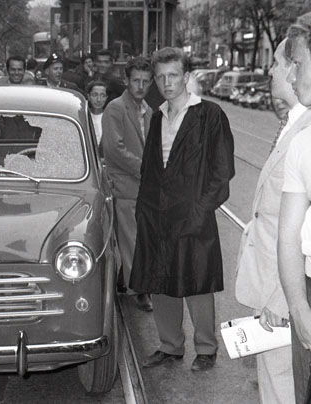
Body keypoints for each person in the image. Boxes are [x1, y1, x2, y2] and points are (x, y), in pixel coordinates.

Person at [130, 47, 234, 372]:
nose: (166, 82)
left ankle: (206, 348)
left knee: (197, 280)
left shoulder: (209, 115)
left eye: (173, 75)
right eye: (160, 77)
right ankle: (170, 345)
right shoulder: (157, 116)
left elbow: (222, 171)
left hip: (193, 215)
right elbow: (149, 168)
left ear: (186, 76)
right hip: (157, 214)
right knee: (160, 280)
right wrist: (143, 209)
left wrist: (200, 210)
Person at [236, 38, 310, 404]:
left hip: (281, 291)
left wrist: (283, 300)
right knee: (274, 382)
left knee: (285, 387)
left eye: (279, 62)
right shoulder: (292, 124)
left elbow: (300, 231)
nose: (271, 70)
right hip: (270, 280)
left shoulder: (305, 132)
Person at [102, 57, 154, 312]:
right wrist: (145, 169)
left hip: (144, 187)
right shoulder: (115, 108)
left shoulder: (149, 111)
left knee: (140, 239)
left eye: (145, 81)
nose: (140, 86)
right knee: (132, 240)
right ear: (126, 81)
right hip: (124, 186)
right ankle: (140, 289)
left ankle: (127, 280)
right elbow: (114, 149)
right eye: (136, 80)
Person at [278, 13, 311, 403]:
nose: (290, 75)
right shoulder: (303, 144)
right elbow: (287, 236)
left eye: (297, 63)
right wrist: (299, 308)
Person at [86, 81, 107, 147]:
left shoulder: (109, 117)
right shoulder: (84, 116)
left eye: (102, 95)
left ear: (106, 98)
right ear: (89, 97)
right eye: (95, 95)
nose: (98, 99)